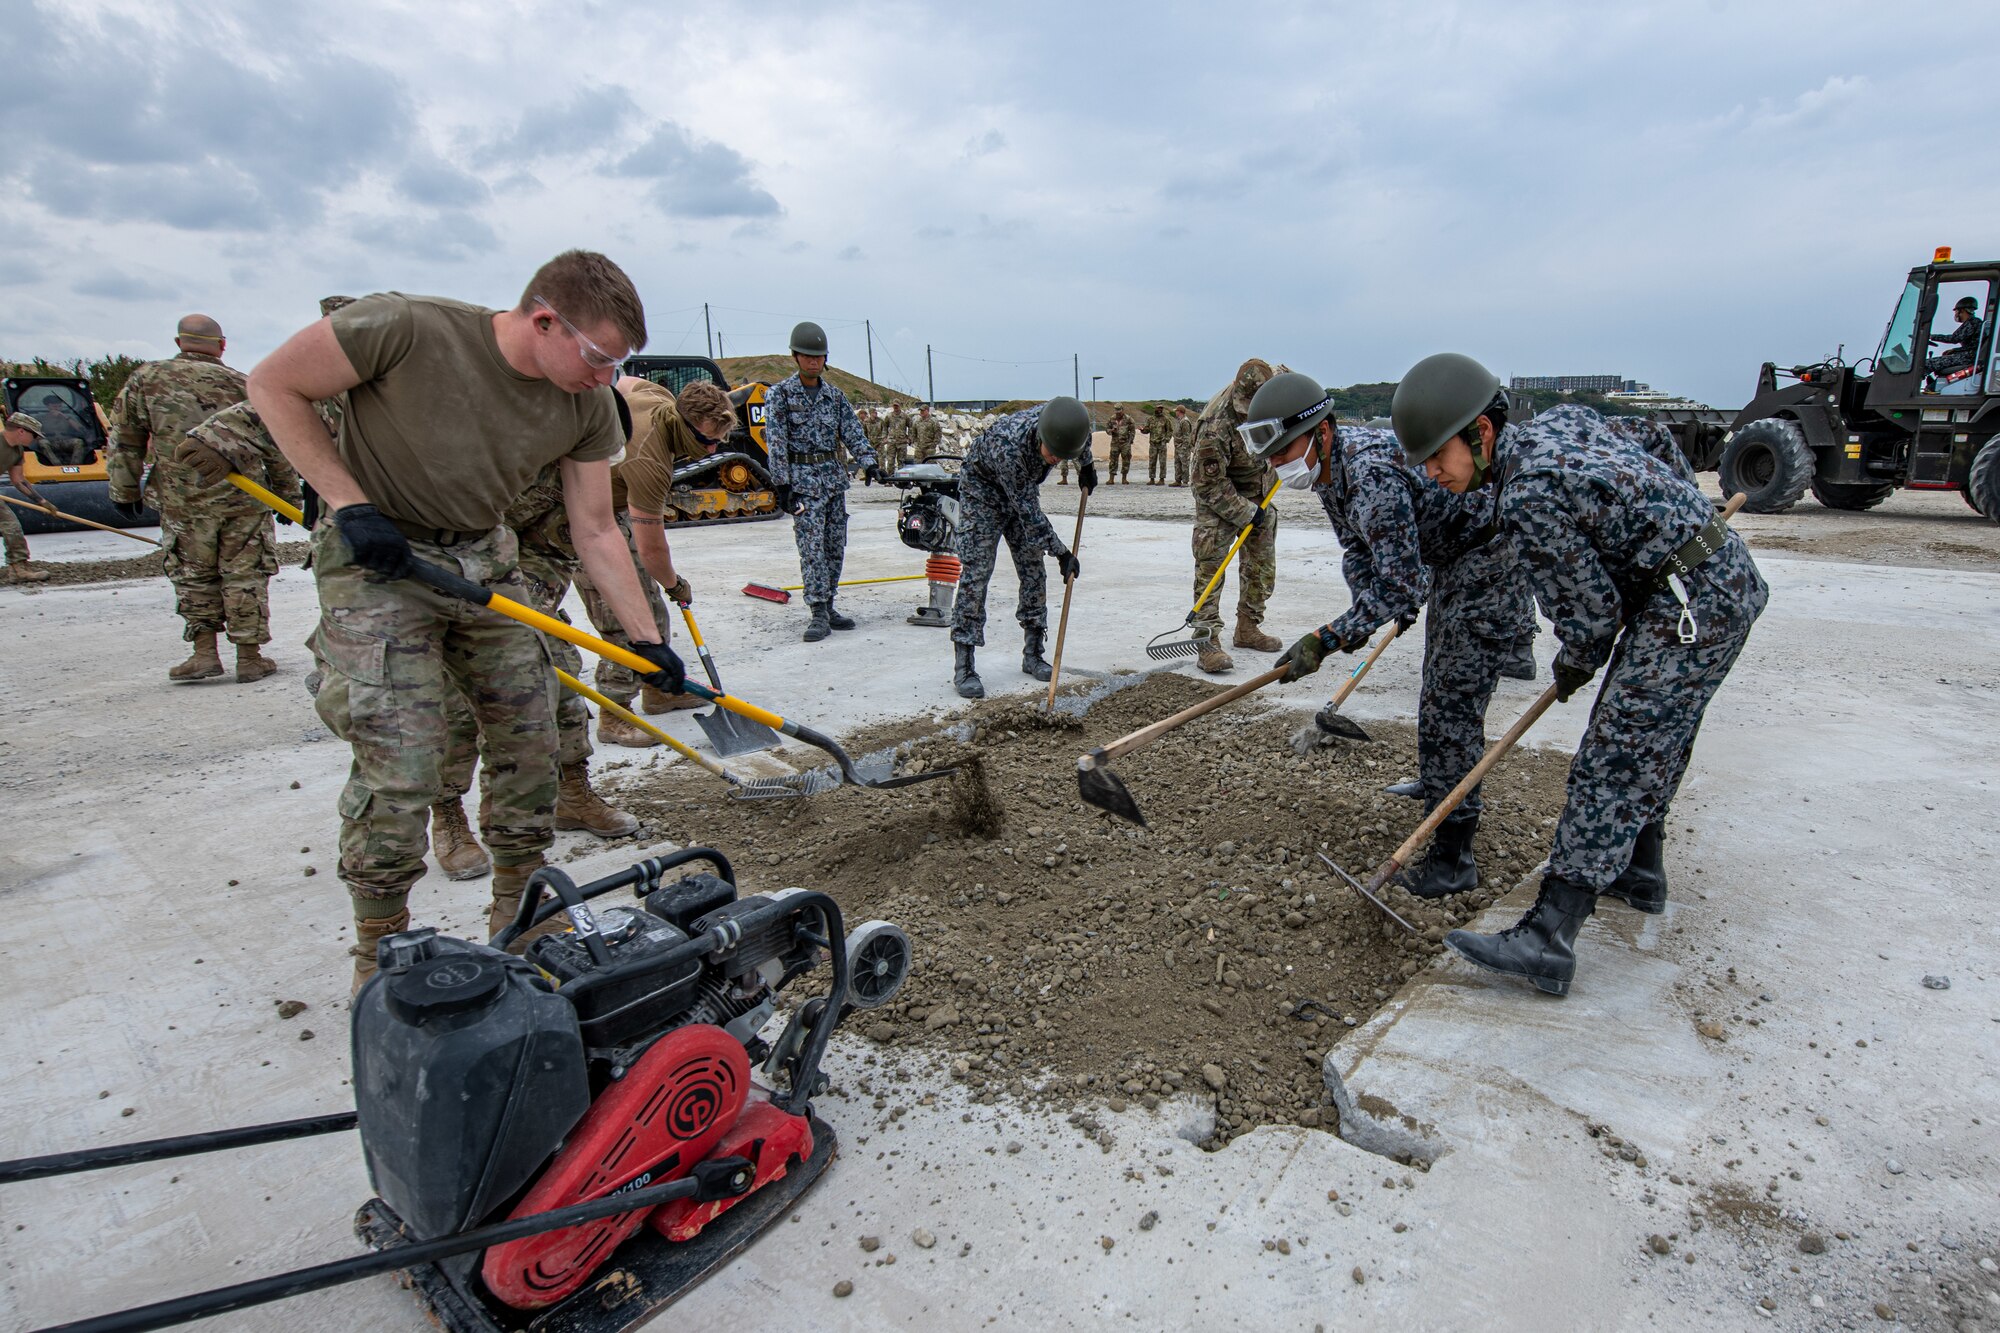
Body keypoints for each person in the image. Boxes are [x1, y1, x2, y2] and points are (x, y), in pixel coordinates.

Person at [245, 250, 686, 992]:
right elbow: (271, 383)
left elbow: (597, 529)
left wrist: (646, 638)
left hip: (483, 559)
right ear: (545, 320)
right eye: (599, 357)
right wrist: (348, 503)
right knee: (405, 753)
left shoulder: (584, 402)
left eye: (619, 364)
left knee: (532, 732)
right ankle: (379, 948)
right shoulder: (403, 328)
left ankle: (520, 917)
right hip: (379, 560)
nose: (607, 378)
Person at [1393, 353, 1768, 997]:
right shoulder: (1556, 423)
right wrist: (1675, 516)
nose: (1431, 472)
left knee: (1614, 755)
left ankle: (1549, 935)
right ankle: (1639, 872)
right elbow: (1651, 442)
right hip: (1711, 577)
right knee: (1656, 738)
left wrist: (1573, 662)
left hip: (1687, 604)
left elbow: (1591, 617)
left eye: (1437, 456)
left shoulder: (1527, 493)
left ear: (1482, 434)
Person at [1253, 373, 1535, 898]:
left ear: (1323, 432)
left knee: (1450, 705)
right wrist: (1364, 612)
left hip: (1485, 560)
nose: (1278, 466)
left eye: (1283, 451)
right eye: (1269, 458)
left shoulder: (1372, 475)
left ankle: (1453, 856)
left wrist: (1328, 638)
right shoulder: (1330, 474)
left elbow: (1402, 586)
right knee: (1437, 691)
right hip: (1445, 558)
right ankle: (1438, 784)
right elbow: (1360, 551)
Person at [108, 315, 270, 681]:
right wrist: (289, 495)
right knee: (246, 574)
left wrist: (124, 490)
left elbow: (127, 438)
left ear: (179, 342)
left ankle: (204, 654)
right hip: (245, 497)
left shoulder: (145, 380)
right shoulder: (244, 383)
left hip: (183, 498)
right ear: (222, 345)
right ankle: (249, 658)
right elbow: (275, 442)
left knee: (194, 574)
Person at [579, 375, 736, 744]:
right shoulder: (650, 460)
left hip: (613, 506)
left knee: (650, 609)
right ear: (683, 422)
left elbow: (628, 381)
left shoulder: (659, 397)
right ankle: (613, 714)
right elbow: (652, 550)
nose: (713, 451)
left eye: (720, 441)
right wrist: (675, 584)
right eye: (707, 441)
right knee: (622, 617)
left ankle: (658, 689)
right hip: (578, 517)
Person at [949, 397, 1096, 698]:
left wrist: (1086, 464)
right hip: (984, 493)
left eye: (1063, 456)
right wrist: (1062, 552)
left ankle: (1033, 653)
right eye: (1053, 454)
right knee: (976, 575)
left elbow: (1083, 443)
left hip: (1020, 492)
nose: (1056, 460)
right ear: (1041, 436)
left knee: (1033, 571)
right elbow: (1030, 514)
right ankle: (964, 665)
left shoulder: (1071, 426)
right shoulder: (1010, 446)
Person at [763, 321, 886, 642]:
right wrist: (782, 485)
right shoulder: (780, 396)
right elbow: (775, 441)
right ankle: (817, 611)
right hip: (802, 483)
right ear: (795, 356)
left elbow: (853, 433)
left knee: (834, 546)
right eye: (807, 356)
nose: (813, 361)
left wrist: (870, 464)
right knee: (811, 548)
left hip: (833, 482)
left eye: (818, 356)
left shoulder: (835, 396)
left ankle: (829, 603)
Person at [1188, 358, 1281, 674]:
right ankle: (1206, 640)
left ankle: (1247, 628)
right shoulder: (1216, 423)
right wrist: (1244, 512)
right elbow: (1207, 483)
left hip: (1259, 488)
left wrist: (1258, 508)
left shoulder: (1276, 388)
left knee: (1261, 563)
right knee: (1210, 565)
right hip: (1219, 496)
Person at [0, 412, 54, 583]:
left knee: (11, 525)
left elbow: (19, 480)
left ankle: (18, 569)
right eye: (34, 435)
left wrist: (42, 501)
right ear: (21, 431)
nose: (35, 439)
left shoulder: (18, 450)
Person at [1927, 296, 1983, 377]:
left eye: (1956, 311)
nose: (1956, 314)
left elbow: (1954, 338)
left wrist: (1931, 336)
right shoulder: (1974, 322)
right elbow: (1972, 346)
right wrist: (1955, 350)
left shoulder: (1972, 322)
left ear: (1962, 310)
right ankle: (1932, 385)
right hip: (1969, 355)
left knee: (1928, 363)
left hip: (1968, 357)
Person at [1105, 407, 1135, 483]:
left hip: (1125, 443)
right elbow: (1107, 429)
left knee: (1126, 460)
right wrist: (1111, 430)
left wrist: (1130, 440)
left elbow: (1132, 431)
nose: (1118, 413)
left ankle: (1124, 478)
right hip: (1115, 443)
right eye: (1116, 412)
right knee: (1113, 460)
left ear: (1122, 410)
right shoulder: (1112, 418)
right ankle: (1111, 479)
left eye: (1119, 411)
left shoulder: (1128, 419)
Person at [880, 400, 913, 470]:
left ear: (900, 406)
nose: (895, 407)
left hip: (902, 442)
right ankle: (891, 479)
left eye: (897, 406)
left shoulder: (905, 416)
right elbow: (884, 427)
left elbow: (911, 427)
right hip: (891, 442)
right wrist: (884, 437)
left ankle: (902, 479)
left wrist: (909, 438)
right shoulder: (889, 416)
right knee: (890, 462)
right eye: (894, 406)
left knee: (901, 462)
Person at [1146, 404, 1171, 484]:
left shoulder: (1166, 419)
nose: (1160, 409)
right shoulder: (1150, 419)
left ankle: (1162, 479)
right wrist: (1143, 430)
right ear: (1155, 408)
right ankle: (1152, 479)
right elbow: (1147, 429)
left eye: (1161, 408)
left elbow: (1169, 431)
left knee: (1162, 462)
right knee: (1152, 462)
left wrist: (1166, 440)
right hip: (1153, 444)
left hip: (1162, 444)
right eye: (1158, 408)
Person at [1171, 404, 1195, 487]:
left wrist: (1184, 447)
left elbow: (1186, 436)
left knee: (1184, 464)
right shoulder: (1179, 420)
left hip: (1183, 447)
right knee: (1177, 463)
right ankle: (1177, 480)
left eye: (1176, 411)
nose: (1175, 412)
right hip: (1177, 446)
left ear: (1180, 412)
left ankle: (1185, 481)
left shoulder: (1185, 421)